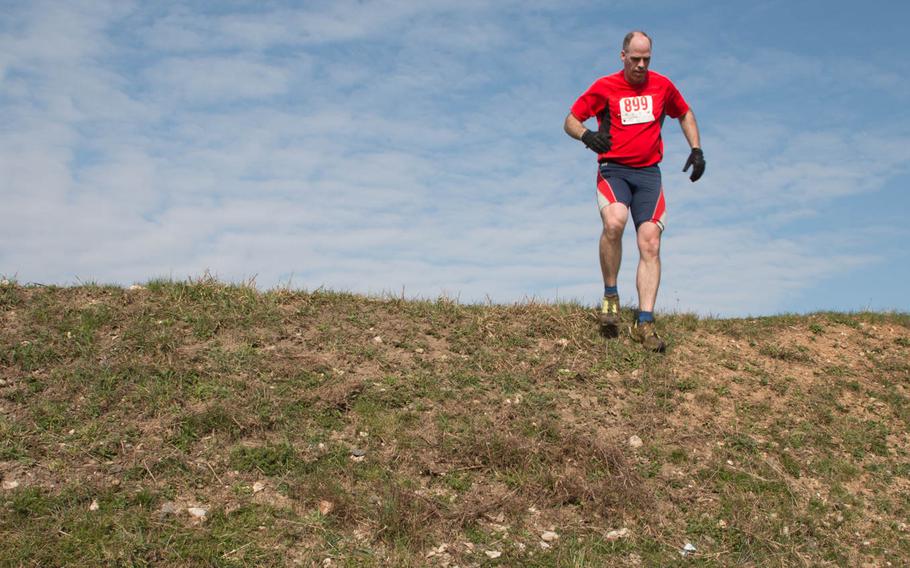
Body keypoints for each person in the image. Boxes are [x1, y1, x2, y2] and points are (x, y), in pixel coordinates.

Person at [564, 30, 704, 352]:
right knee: (614, 222)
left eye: (647, 59)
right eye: (636, 58)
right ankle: (610, 297)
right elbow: (570, 120)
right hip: (614, 170)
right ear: (623, 56)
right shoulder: (605, 87)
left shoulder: (663, 86)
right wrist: (587, 136)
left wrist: (696, 149)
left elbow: (684, 112)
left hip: (648, 175)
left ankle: (645, 322)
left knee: (650, 243)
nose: (641, 65)